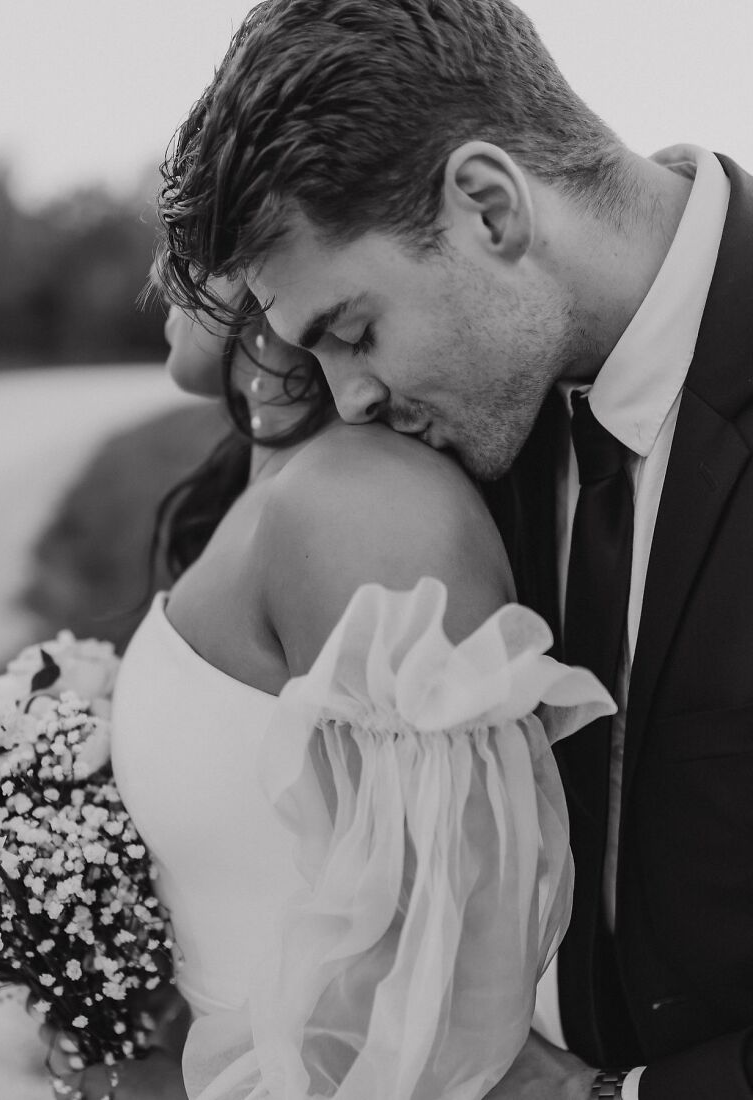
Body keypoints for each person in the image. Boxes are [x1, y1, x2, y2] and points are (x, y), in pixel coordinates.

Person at [153, 1, 753, 1098]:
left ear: (488, 206)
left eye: (352, 330)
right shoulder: (487, 381)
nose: (352, 398)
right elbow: (201, 369)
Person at [45, 262, 612, 1100]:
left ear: (269, 262)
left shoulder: (360, 504)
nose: (160, 275)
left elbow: (445, 981)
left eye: (188, 244)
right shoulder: (273, 481)